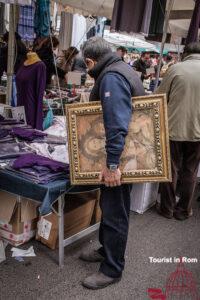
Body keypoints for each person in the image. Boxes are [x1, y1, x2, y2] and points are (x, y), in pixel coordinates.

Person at [80, 37, 145, 289]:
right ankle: (106, 249)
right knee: (110, 207)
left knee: (115, 211)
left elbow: (116, 124)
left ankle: (112, 269)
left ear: (89, 61)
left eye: (86, 66)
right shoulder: (121, 68)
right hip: (124, 157)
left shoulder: (111, 77)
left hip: (119, 160)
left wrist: (112, 164)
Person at [156, 42, 200, 221]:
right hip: (198, 131)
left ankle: (167, 208)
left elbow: (160, 96)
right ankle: (183, 211)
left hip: (174, 128)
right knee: (190, 170)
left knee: (170, 169)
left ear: (185, 53)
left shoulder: (176, 69)